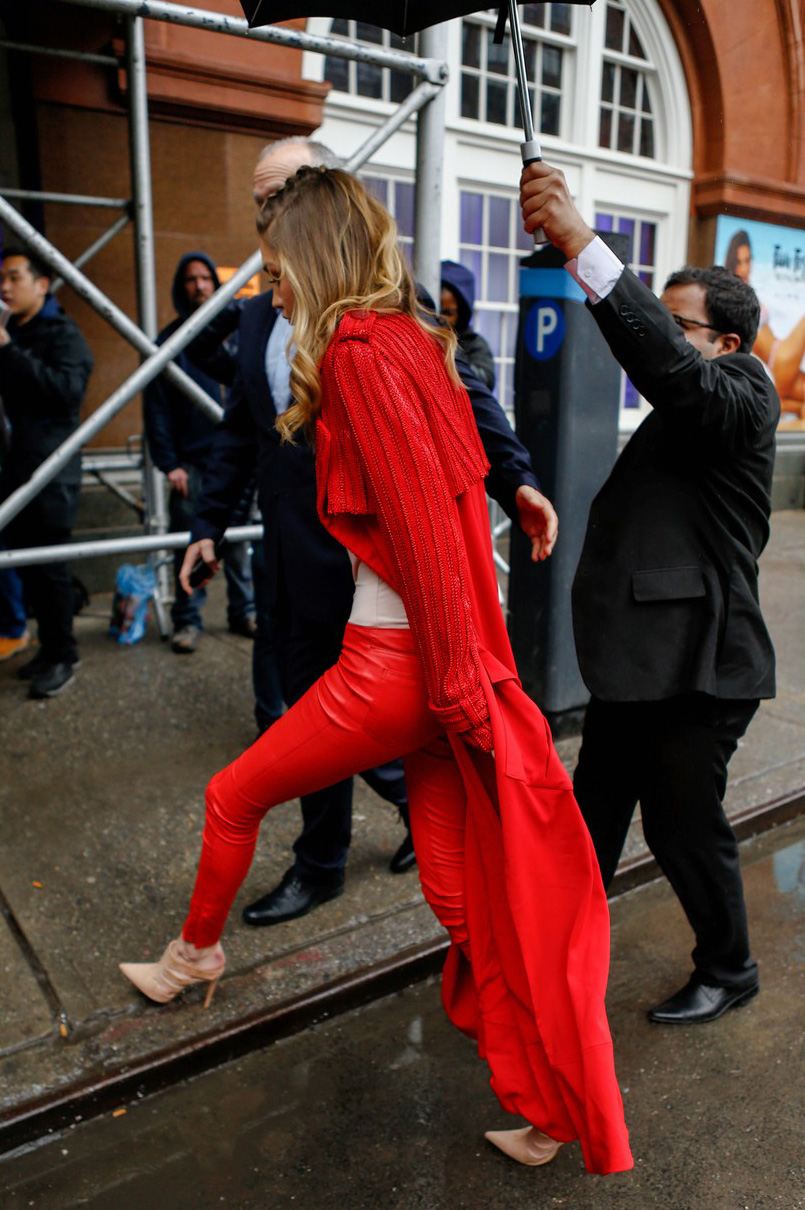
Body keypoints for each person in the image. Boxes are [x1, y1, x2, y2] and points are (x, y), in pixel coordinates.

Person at [119, 166, 632, 1176]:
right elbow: (451, 498)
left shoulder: (356, 349)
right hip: (434, 661)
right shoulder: (407, 341)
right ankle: (547, 1101)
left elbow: (424, 532)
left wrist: (453, 685)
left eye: (274, 265)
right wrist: (509, 507)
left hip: (402, 664)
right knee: (461, 900)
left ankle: (195, 955)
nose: (268, 283)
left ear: (307, 255)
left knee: (233, 792)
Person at [181, 137, 556, 922]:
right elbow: (236, 434)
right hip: (290, 550)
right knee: (288, 716)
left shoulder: (376, 327)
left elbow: (463, 407)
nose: (269, 212)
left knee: (351, 730)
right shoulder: (260, 316)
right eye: (262, 201)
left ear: (323, 208)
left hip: (370, 571)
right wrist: (206, 526)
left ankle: (418, 834)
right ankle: (321, 863)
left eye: (284, 194)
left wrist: (514, 478)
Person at [520, 161, 779, 1025]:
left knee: (679, 826)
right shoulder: (689, 399)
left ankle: (730, 968)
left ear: (725, 344)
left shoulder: (742, 395)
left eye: (680, 325)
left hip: (702, 668)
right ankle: (556, 964)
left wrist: (581, 246)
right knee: (589, 822)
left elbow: (670, 371)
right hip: (640, 662)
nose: (665, 338)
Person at [143, 252, 256, 654]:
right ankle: (187, 620)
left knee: (240, 543)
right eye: (190, 279)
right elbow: (155, 408)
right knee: (189, 544)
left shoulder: (240, 335)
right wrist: (169, 462)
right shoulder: (170, 340)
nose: (199, 286)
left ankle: (244, 612)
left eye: (206, 278)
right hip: (191, 461)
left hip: (238, 461)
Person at [0, 247, 93, 698]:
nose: (4, 287)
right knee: (28, 566)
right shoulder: (15, 332)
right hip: (15, 468)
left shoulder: (61, 333)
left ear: (42, 284)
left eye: (15, 277)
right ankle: (47, 648)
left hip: (51, 473)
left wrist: (9, 351)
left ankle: (64, 654)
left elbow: (66, 391)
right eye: (2, 278)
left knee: (50, 565)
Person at [724, 229, 805, 414]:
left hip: (780, 363)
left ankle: (795, 408)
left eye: (748, 260)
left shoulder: (748, 291)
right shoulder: (733, 296)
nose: (745, 268)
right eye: (739, 262)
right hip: (779, 359)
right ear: (732, 263)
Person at [440, 260, 496, 389]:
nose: (440, 319)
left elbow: (485, 381)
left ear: (461, 313)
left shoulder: (475, 345)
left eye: (447, 312)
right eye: (434, 311)